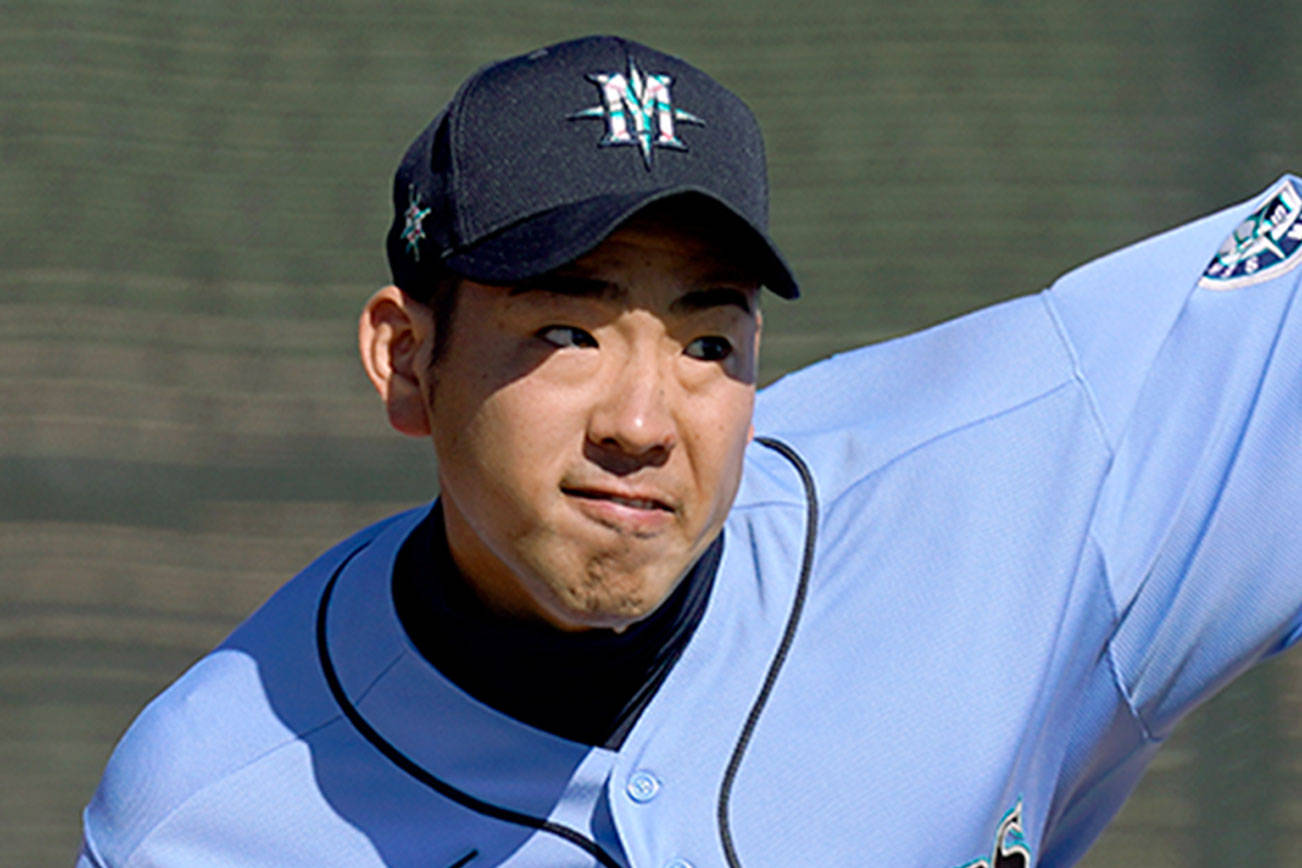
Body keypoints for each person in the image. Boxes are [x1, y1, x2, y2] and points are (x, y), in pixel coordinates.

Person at [77, 34, 1302, 868]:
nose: (645, 420)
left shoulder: (1013, 491)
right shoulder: (207, 813)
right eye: (567, 329)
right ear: (407, 359)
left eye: (709, 342)